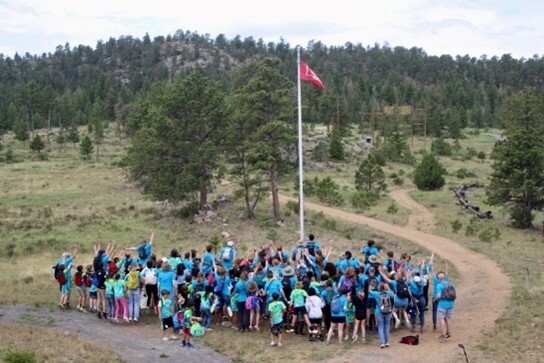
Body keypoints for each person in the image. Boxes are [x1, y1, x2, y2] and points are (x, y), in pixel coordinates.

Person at [368, 282, 395, 348]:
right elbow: (393, 295)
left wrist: (371, 285)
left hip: (379, 312)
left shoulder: (377, 294)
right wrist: (388, 287)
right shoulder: (388, 293)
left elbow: (369, 291)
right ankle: (387, 342)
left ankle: (382, 342)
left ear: (379, 288)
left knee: (380, 326)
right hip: (388, 311)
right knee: (387, 326)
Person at [435, 269, 455, 339]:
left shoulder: (439, 285)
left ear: (439, 278)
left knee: (442, 318)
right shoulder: (450, 283)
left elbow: (439, 296)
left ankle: (444, 333)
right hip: (451, 304)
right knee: (448, 318)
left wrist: (435, 299)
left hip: (442, 304)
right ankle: (449, 332)